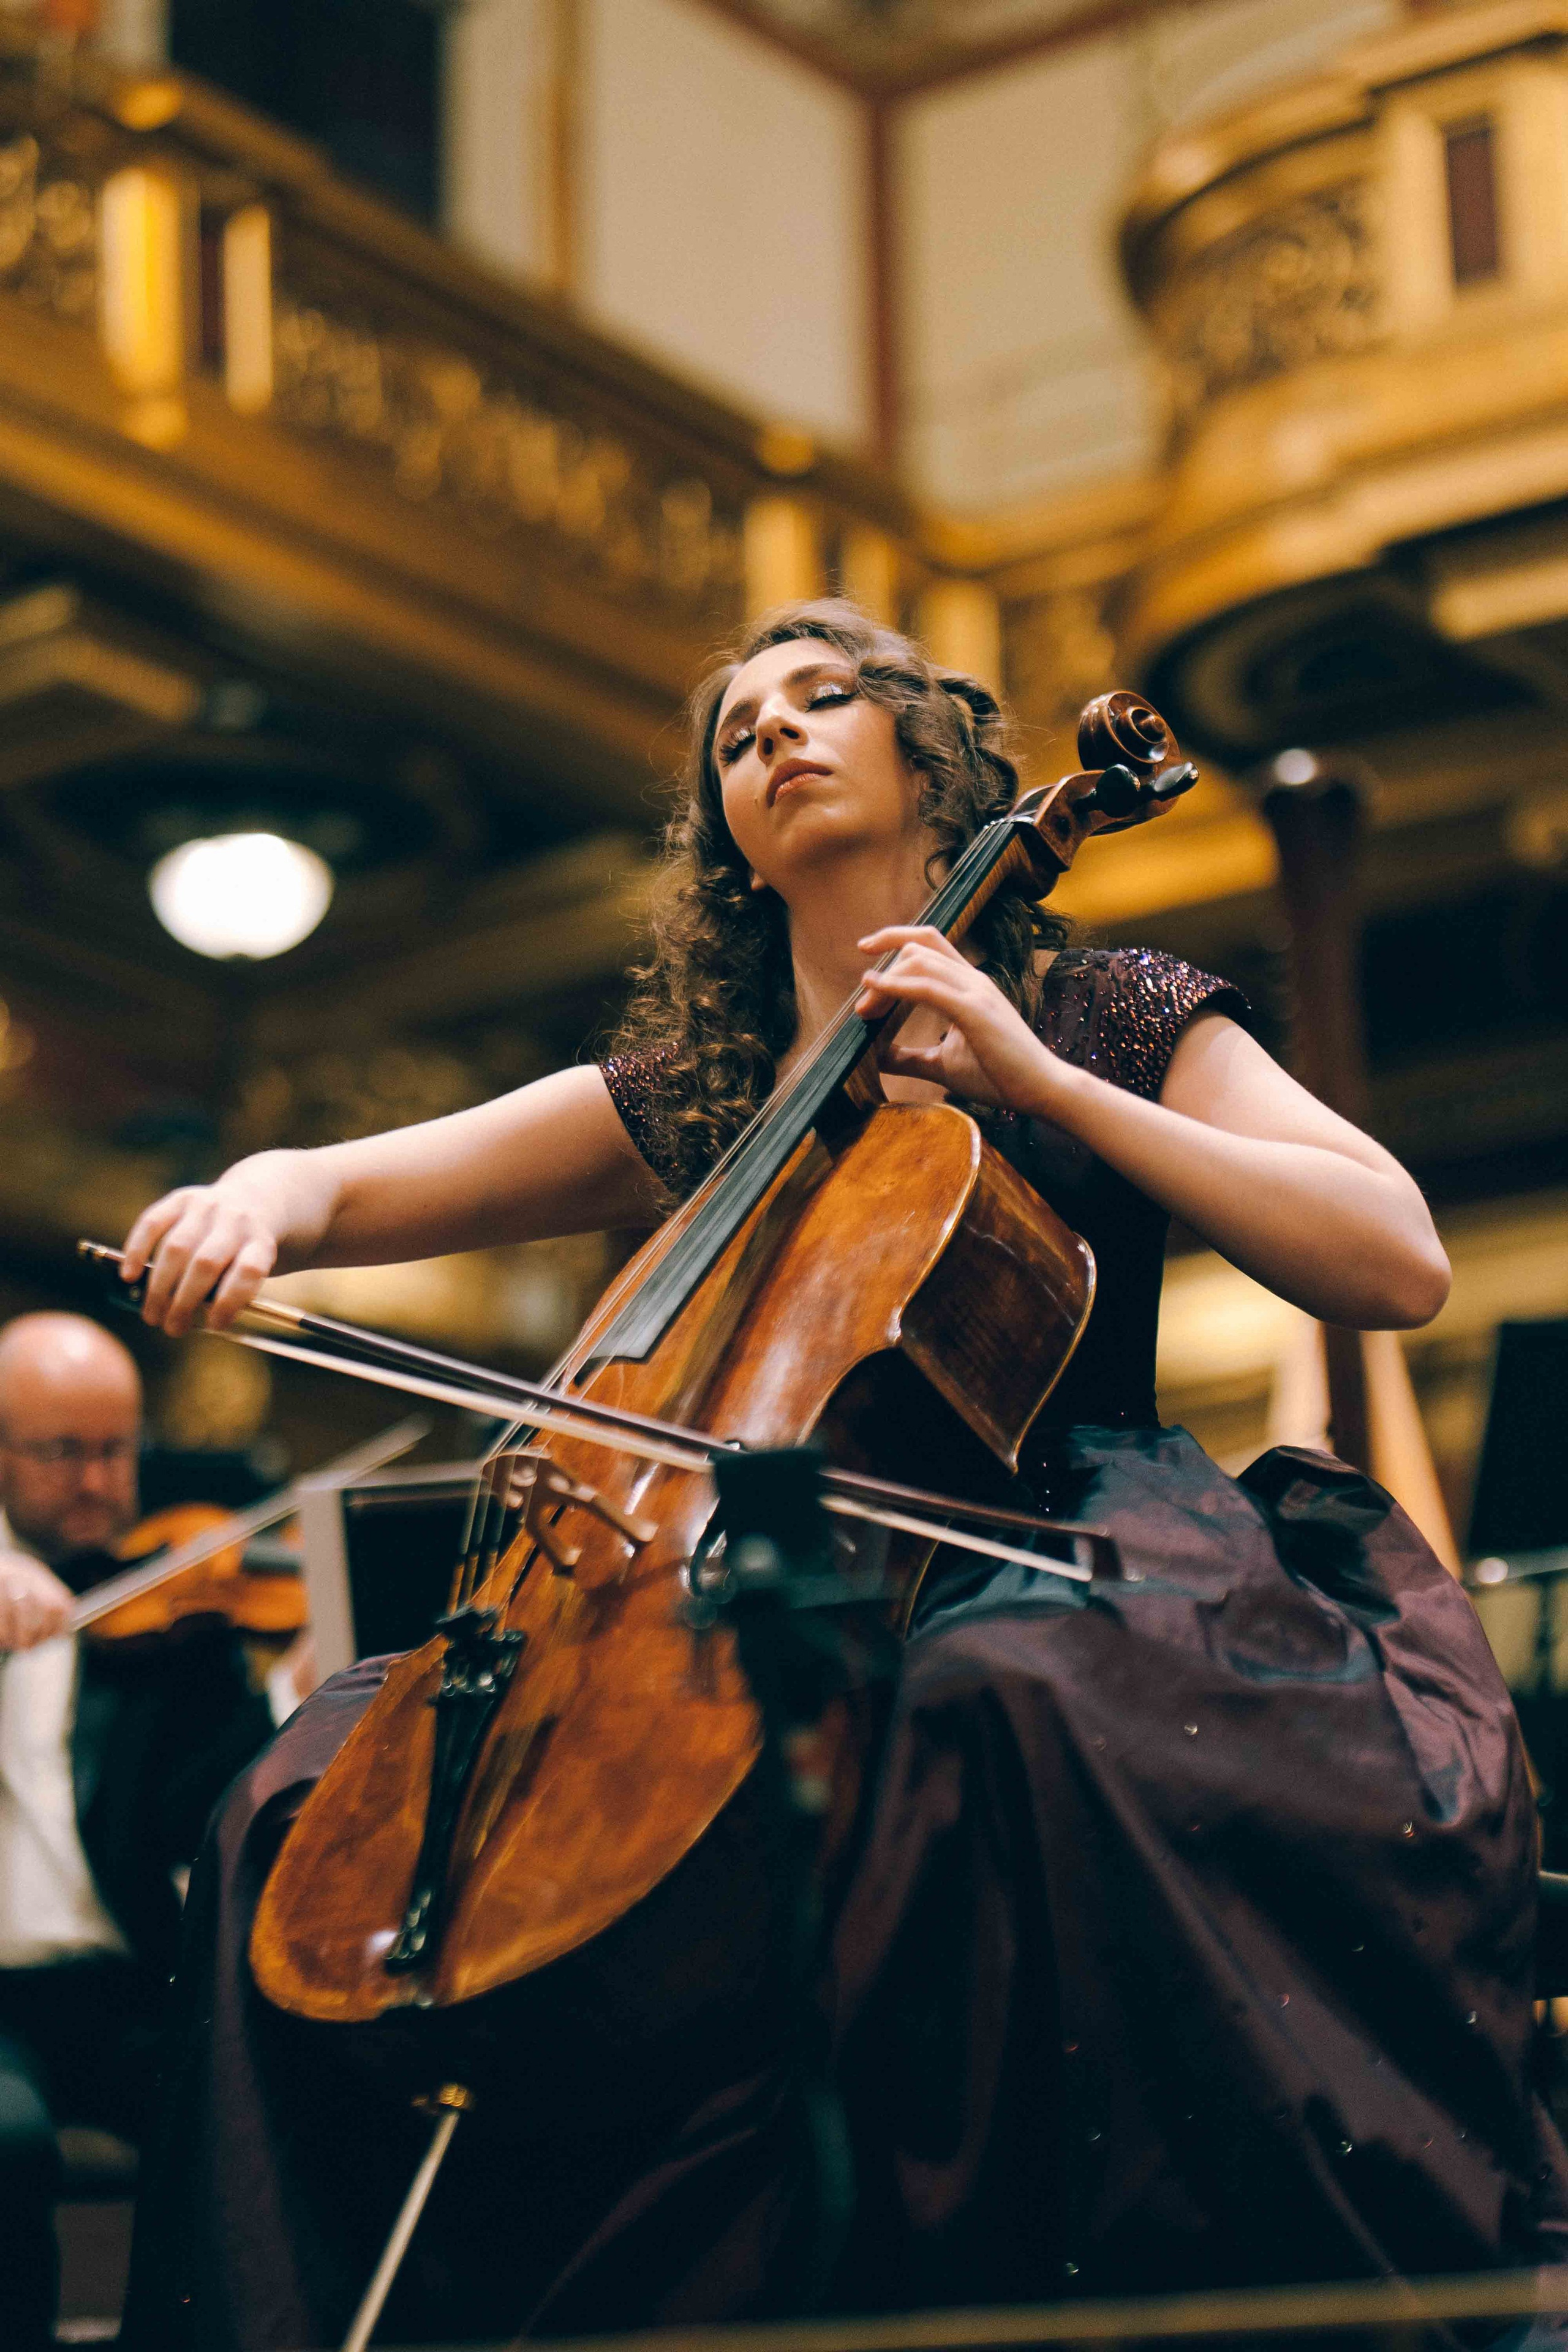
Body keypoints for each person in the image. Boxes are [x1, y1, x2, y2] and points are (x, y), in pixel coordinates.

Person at [117, 603, 1567, 2350]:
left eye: (825, 700)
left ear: (929, 753)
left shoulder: (1098, 1007)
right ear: (725, 834)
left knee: (990, 1706)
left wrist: (1037, 1078)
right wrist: (256, 1198)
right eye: (739, 734)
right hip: (714, 1583)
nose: (778, 738)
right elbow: (349, 1187)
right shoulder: (713, 1094)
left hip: (1044, 1536)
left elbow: (1394, 1255)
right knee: (295, 1796)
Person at [0, 1313, 308, 2351]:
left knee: (271, 2118)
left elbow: (214, 1806)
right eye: (60, 1453)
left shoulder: (173, 1611)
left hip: (126, 1976)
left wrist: (286, 1694)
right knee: (6, 2140)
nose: (97, 1481)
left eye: (115, 1449)